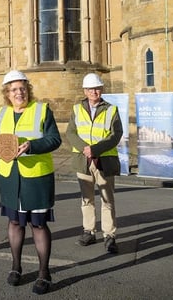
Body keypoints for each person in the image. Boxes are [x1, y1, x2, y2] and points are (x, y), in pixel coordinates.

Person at [0, 70, 62, 295]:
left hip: (36, 178)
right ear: (7, 93)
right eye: (13, 89)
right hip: (10, 177)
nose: (19, 93)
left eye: (22, 88)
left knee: (38, 225)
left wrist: (32, 145)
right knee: (14, 223)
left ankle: (44, 273)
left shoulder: (42, 110)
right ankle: (16, 267)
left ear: (27, 90)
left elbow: (54, 139)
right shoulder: (1, 114)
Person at [65, 72, 124, 254]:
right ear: (85, 90)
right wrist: (85, 148)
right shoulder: (76, 109)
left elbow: (116, 134)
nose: (94, 91)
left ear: (102, 89)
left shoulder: (111, 109)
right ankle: (89, 231)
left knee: (107, 200)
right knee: (86, 199)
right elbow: (71, 133)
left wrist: (96, 149)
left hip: (103, 160)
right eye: (90, 88)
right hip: (83, 160)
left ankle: (109, 235)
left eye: (97, 88)